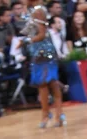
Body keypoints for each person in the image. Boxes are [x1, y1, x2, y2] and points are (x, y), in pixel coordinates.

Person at [21, 0, 63, 128]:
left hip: (44, 51)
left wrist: (26, 41)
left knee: (50, 83)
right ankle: (47, 114)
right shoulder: (32, 10)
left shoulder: (38, 10)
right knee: (42, 85)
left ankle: (57, 114)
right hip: (37, 51)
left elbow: (42, 34)